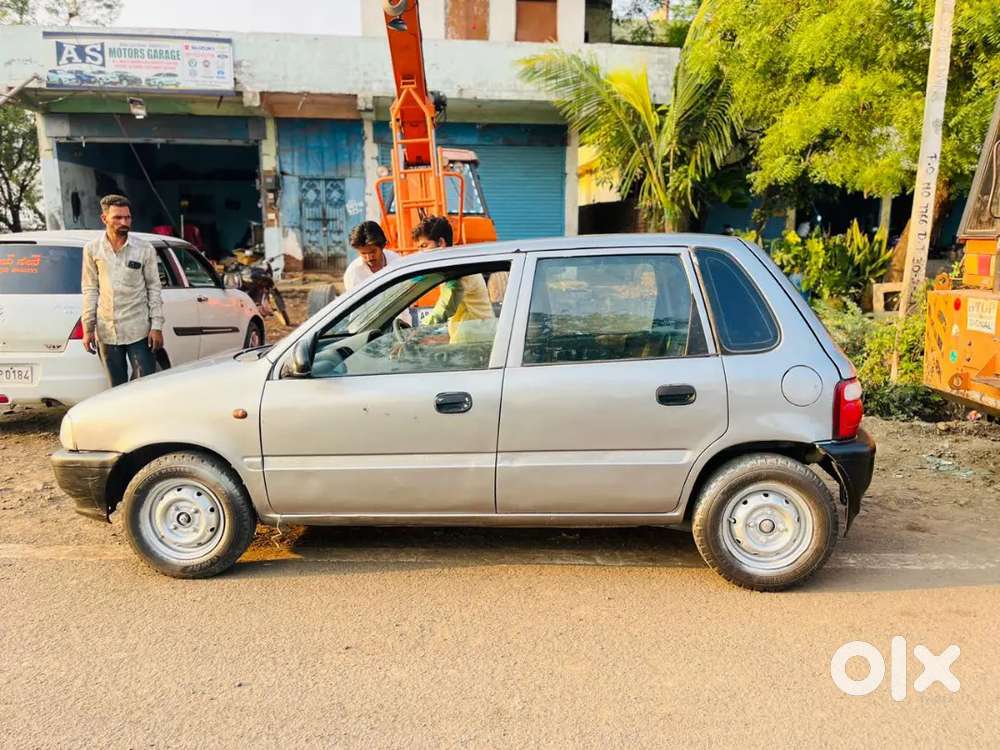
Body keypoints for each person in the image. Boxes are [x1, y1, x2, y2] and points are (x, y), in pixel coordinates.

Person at [81, 194, 164, 387]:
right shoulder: (92, 249)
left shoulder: (144, 249)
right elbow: (90, 288)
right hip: (107, 331)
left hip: (139, 330)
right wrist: (88, 328)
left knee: (144, 385)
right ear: (104, 219)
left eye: (127, 217)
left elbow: (154, 287)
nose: (124, 222)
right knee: (115, 389)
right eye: (117, 218)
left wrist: (157, 326)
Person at [411, 216, 495, 343]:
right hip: (469, 338)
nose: (421, 253)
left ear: (441, 242)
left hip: (476, 343)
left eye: (424, 246)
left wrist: (417, 333)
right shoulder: (450, 267)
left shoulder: (459, 272)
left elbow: (445, 308)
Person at [344, 221, 401, 291]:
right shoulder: (353, 273)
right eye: (363, 253)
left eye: (373, 252)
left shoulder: (397, 262)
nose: (369, 257)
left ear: (383, 246)